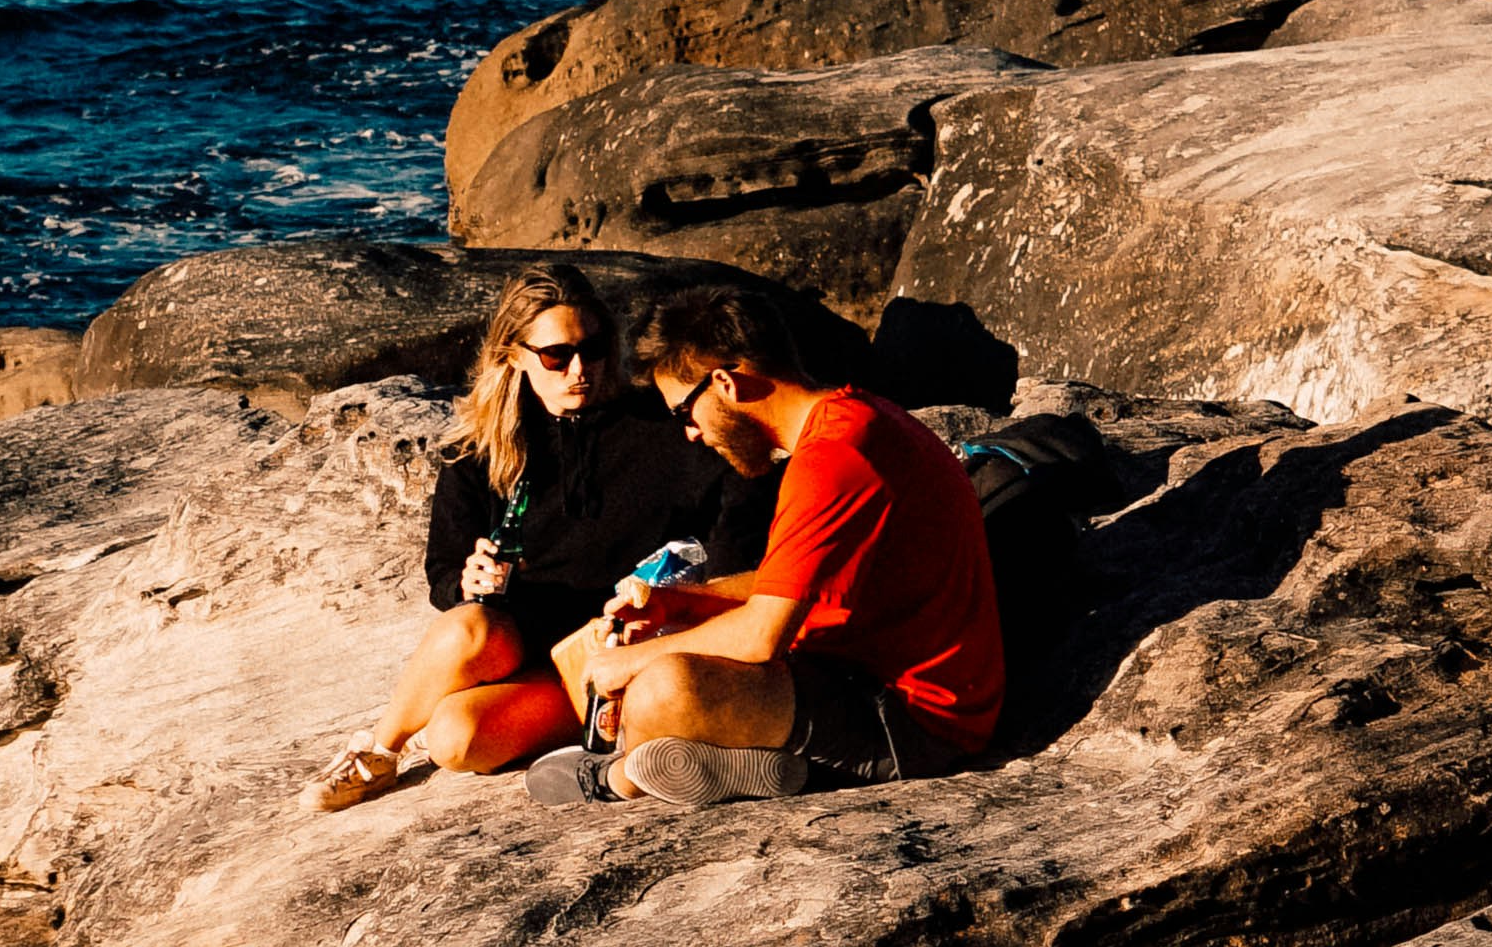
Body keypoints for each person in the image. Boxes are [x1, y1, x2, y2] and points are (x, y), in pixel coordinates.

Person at [542, 278, 1004, 807]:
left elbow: (762, 636)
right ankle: (754, 768)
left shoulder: (832, 461)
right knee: (674, 653)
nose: (690, 434)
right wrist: (686, 603)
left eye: (683, 413)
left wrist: (626, 665)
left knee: (662, 689)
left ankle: (619, 778)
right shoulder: (854, 420)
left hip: (914, 720)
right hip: (863, 676)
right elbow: (786, 584)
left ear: (725, 384)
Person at [306, 272, 752, 810]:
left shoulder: (667, 429)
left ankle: (608, 733)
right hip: (518, 647)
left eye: (592, 350)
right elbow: (443, 574)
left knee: (457, 731)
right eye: (556, 356)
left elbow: (735, 522)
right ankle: (379, 751)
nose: (580, 371)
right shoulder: (480, 449)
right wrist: (466, 582)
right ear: (514, 355)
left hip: (617, 656)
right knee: (461, 671)